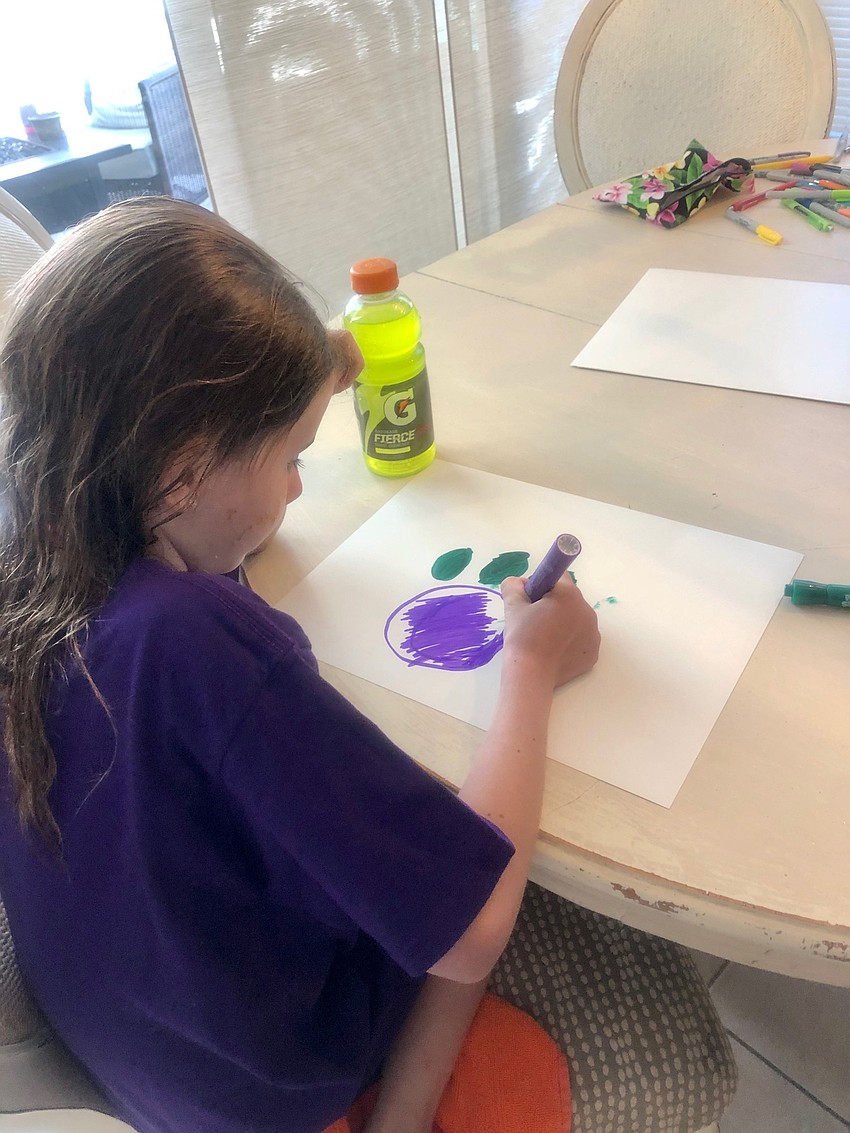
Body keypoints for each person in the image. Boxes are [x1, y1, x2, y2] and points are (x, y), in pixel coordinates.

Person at [0, 199, 734, 1133]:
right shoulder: (199, 644)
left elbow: (199, 517)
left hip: (152, 1062)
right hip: (281, 1087)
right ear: (182, 470)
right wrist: (531, 669)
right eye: (295, 457)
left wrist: (289, 409)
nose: (301, 486)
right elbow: (469, 937)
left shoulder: (40, 557)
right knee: (504, 1004)